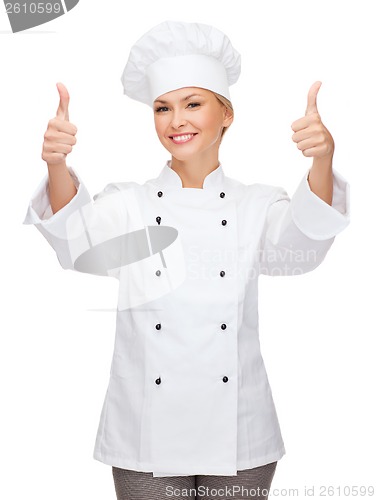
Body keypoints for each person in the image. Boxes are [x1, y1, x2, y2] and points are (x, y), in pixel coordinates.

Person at [23, 20, 350, 500]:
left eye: (192, 104)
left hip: (239, 434)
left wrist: (321, 162)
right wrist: (55, 164)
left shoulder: (257, 203)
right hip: (146, 433)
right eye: (163, 108)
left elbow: (298, 249)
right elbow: (77, 243)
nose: (176, 120)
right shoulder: (130, 203)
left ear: (226, 115)